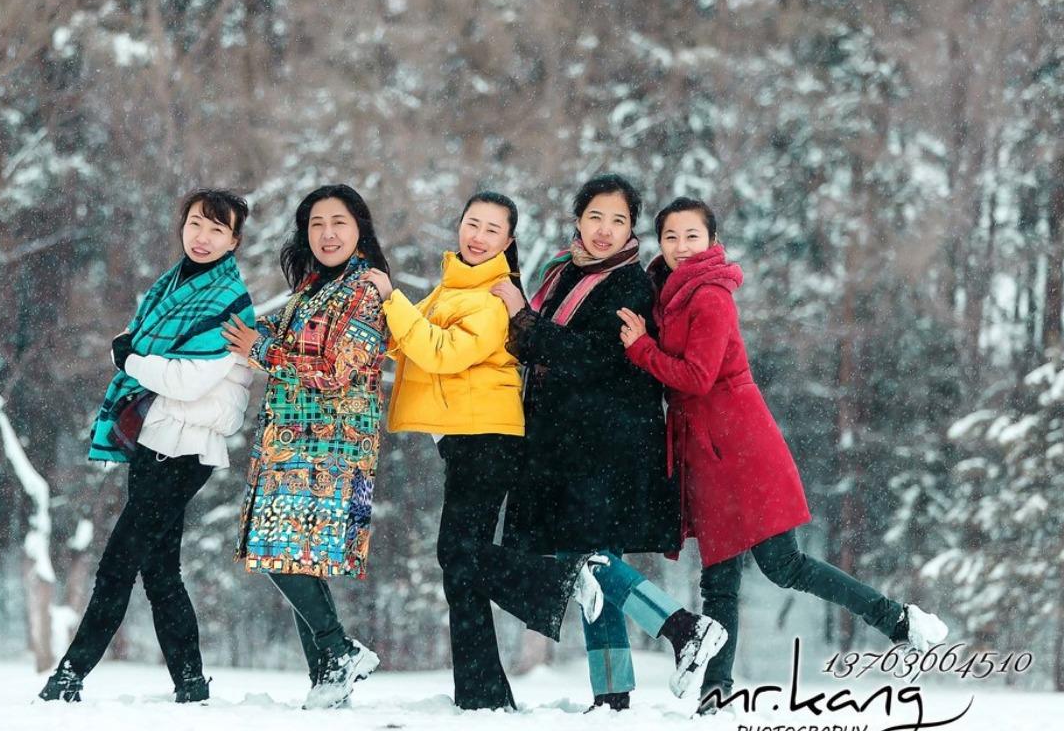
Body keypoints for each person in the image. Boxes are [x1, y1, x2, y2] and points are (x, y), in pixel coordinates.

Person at [619, 196, 949, 713]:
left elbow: (698, 377)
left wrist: (641, 347)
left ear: (711, 242)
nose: (681, 247)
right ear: (659, 242)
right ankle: (715, 694)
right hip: (705, 452)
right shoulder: (667, 294)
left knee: (784, 565)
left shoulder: (709, 296)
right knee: (719, 581)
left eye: (692, 236)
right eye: (671, 237)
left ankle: (899, 620)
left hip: (738, 446)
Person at [491, 175, 727, 710]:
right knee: (590, 566)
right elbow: (542, 348)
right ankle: (613, 695)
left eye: (619, 220)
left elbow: (592, 357)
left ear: (630, 229)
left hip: (607, 444)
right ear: (578, 220)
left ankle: (682, 627)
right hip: (566, 441)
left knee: (586, 562)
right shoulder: (563, 272)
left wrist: (522, 316)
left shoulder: (628, 285)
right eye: (596, 216)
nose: (605, 229)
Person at [370, 191, 608, 711]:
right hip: (464, 439)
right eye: (472, 224)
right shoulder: (451, 286)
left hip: (488, 439)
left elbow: (440, 351)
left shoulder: (495, 295)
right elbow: (404, 340)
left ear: (508, 241)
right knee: (461, 570)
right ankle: (481, 696)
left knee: (457, 556)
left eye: (492, 229)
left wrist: (392, 298)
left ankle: (563, 581)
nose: (478, 237)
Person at [39, 188, 257, 704]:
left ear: (234, 241)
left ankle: (67, 678)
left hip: (183, 450)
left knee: (117, 565)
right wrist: (133, 356)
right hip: (153, 442)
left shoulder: (229, 302)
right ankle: (190, 683)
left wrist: (130, 360)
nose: (202, 237)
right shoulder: (168, 286)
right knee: (159, 572)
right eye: (196, 224)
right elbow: (133, 342)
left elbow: (182, 380)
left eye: (217, 230)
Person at [222, 184, 390, 710]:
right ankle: (328, 681)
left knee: (281, 552)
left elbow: (338, 370)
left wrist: (262, 350)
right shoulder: (312, 288)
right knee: (298, 558)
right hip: (293, 441)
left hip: (333, 447)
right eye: (316, 224)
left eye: (338, 222)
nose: (327, 234)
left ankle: (339, 651)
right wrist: (231, 330)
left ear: (359, 229)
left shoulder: (365, 289)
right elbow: (271, 334)